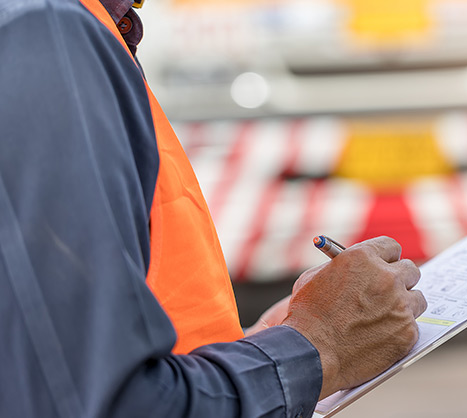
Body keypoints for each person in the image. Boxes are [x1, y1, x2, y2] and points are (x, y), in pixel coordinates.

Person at [0, 0, 427, 416]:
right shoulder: (44, 29)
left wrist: (259, 349)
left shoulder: (65, 29)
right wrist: (316, 346)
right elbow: (112, 401)